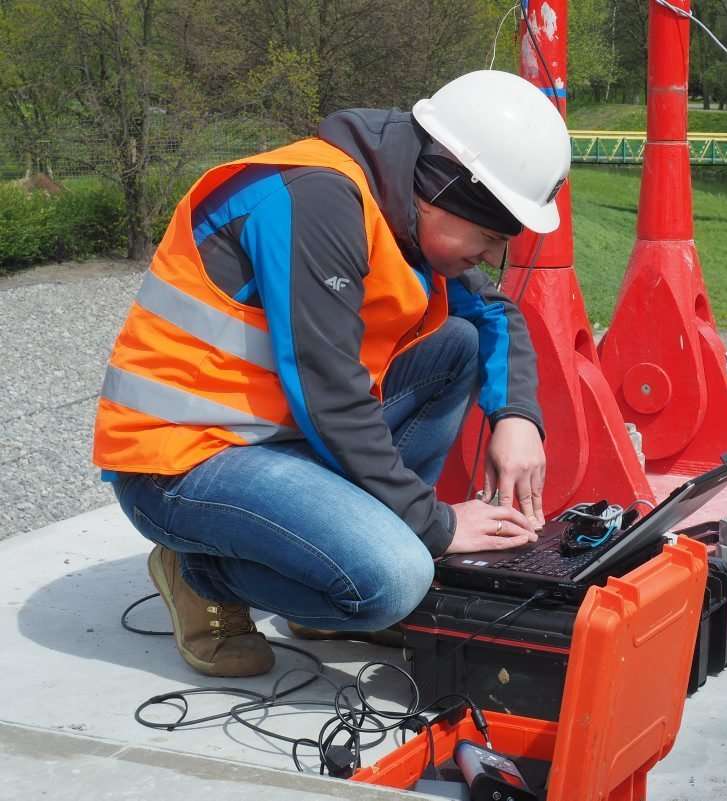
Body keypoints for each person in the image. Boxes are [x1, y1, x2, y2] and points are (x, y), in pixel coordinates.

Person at [92, 71, 571, 678]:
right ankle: (196, 569)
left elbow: (495, 312)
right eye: (490, 237)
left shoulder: (400, 208)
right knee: (394, 580)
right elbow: (330, 398)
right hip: (180, 462)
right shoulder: (315, 200)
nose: (493, 257)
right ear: (442, 187)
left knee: (456, 343)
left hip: (278, 439)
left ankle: (334, 567)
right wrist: (434, 525)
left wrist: (516, 416)